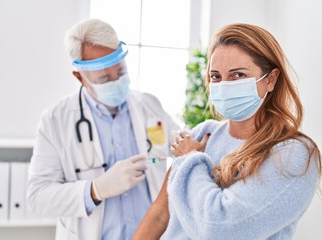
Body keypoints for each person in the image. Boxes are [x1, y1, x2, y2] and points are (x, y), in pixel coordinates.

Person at [133, 23, 321, 240]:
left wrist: (191, 158)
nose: (224, 86)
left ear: (270, 79)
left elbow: (221, 231)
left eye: (238, 75)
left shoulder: (293, 155)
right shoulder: (205, 133)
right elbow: (160, 214)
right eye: (216, 77)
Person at [27, 18, 179, 240]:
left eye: (120, 72)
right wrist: (96, 190)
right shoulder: (55, 121)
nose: (116, 82)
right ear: (79, 77)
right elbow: (38, 198)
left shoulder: (148, 105)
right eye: (105, 78)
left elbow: (177, 142)